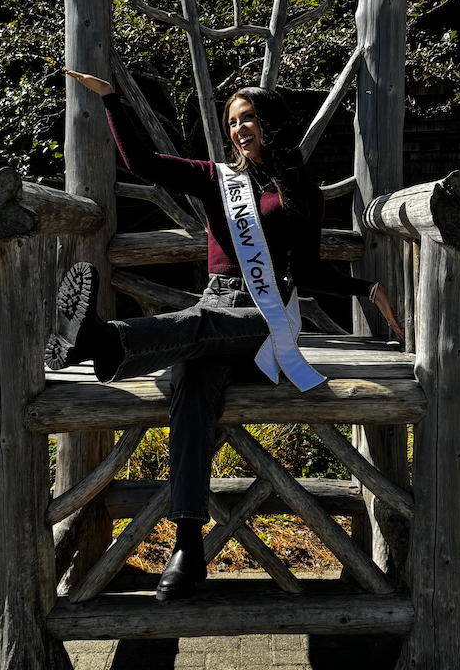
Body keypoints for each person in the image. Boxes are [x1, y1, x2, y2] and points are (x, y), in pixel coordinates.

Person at [52, 69, 402, 602]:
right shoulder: (217, 179)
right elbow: (144, 166)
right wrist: (112, 99)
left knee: (198, 333)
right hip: (214, 305)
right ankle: (188, 549)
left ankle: (103, 341)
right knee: (195, 381)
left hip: (265, 320)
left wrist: (365, 288)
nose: (239, 129)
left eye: (249, 118)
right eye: (233, 121)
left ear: (272, 124)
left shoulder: (303, 194)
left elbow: (306, 272)